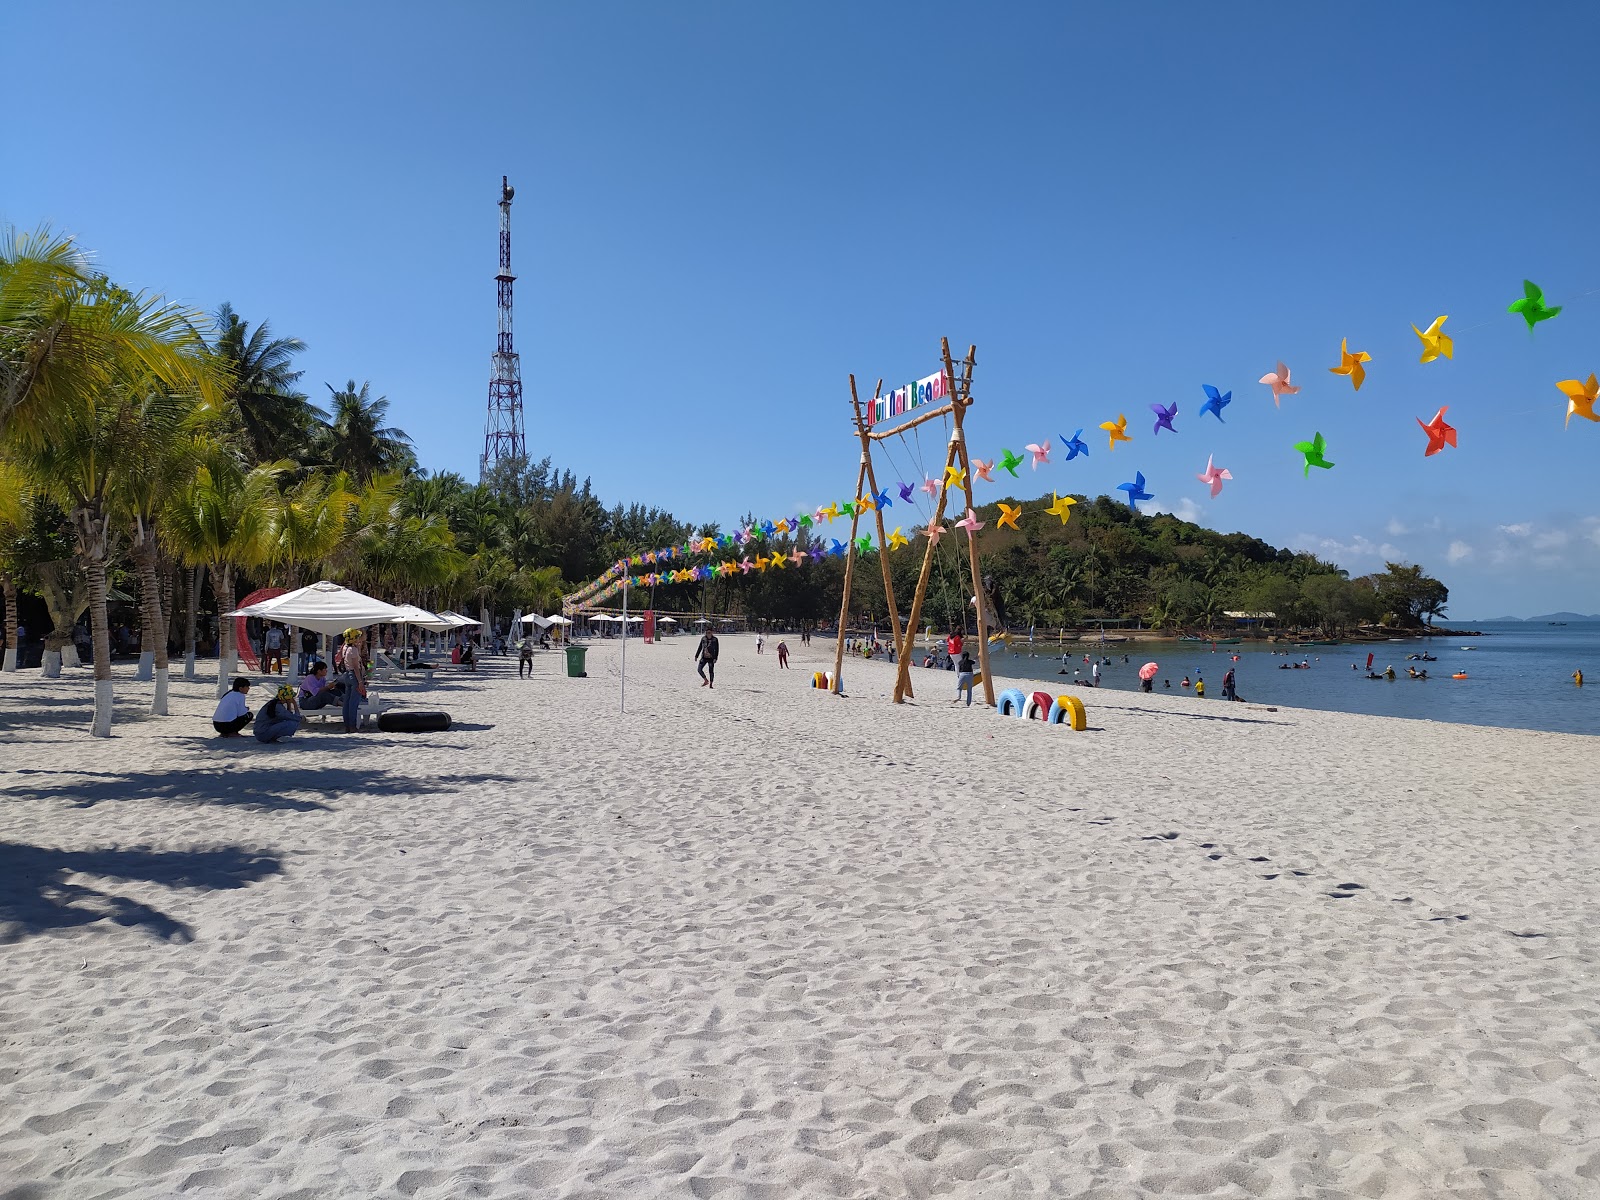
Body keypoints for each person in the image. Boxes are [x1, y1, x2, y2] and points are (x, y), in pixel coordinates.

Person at [336, 628, 368, 732]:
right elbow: (356, 666)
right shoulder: (352, 650)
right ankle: (352, 726)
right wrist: (360, 682)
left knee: (347, 702)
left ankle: (347, 725)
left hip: (347, 674)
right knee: (353, 703)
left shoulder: (345, 647)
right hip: (354, 675)